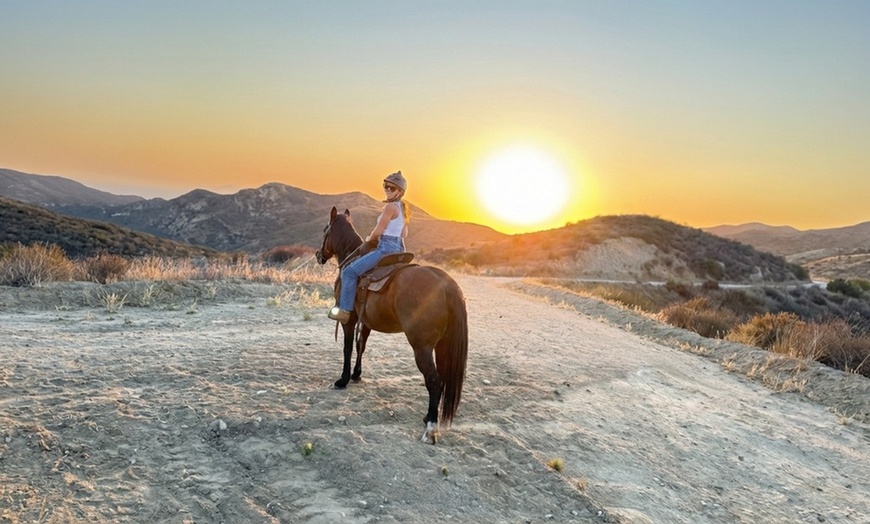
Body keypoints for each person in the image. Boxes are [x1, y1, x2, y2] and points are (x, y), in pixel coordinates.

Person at [328, 171, 411, 323]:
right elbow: (404, 234)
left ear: (400, 192)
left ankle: (345, 311)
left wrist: (369, 239)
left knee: (349, 272)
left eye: (392, 188)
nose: (387, 190)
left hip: (385, 249)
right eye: (386, 186)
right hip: (400, 249)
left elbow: (378, 230)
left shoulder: (390, 207)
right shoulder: (402, 209)